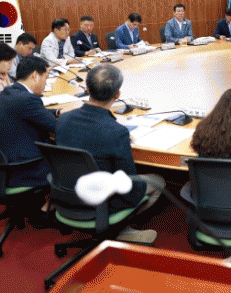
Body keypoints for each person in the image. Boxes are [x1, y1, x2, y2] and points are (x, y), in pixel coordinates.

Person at [56, 64, 165, 244]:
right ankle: (120, 228)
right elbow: (128, 182)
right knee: (159, 181)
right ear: (117, 94)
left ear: (87, 89)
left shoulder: (62, 119)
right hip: (102, 201)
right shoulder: (116, 132)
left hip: (66, 196)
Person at [0, 56, 56, 188]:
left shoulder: (9, 92)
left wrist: (56, 112)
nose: (46, 83)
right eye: (45, 78)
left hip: (7, 165)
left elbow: (29, 113)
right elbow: (56, 127)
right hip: (26, 169)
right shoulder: (28, 99)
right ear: (35, 76)